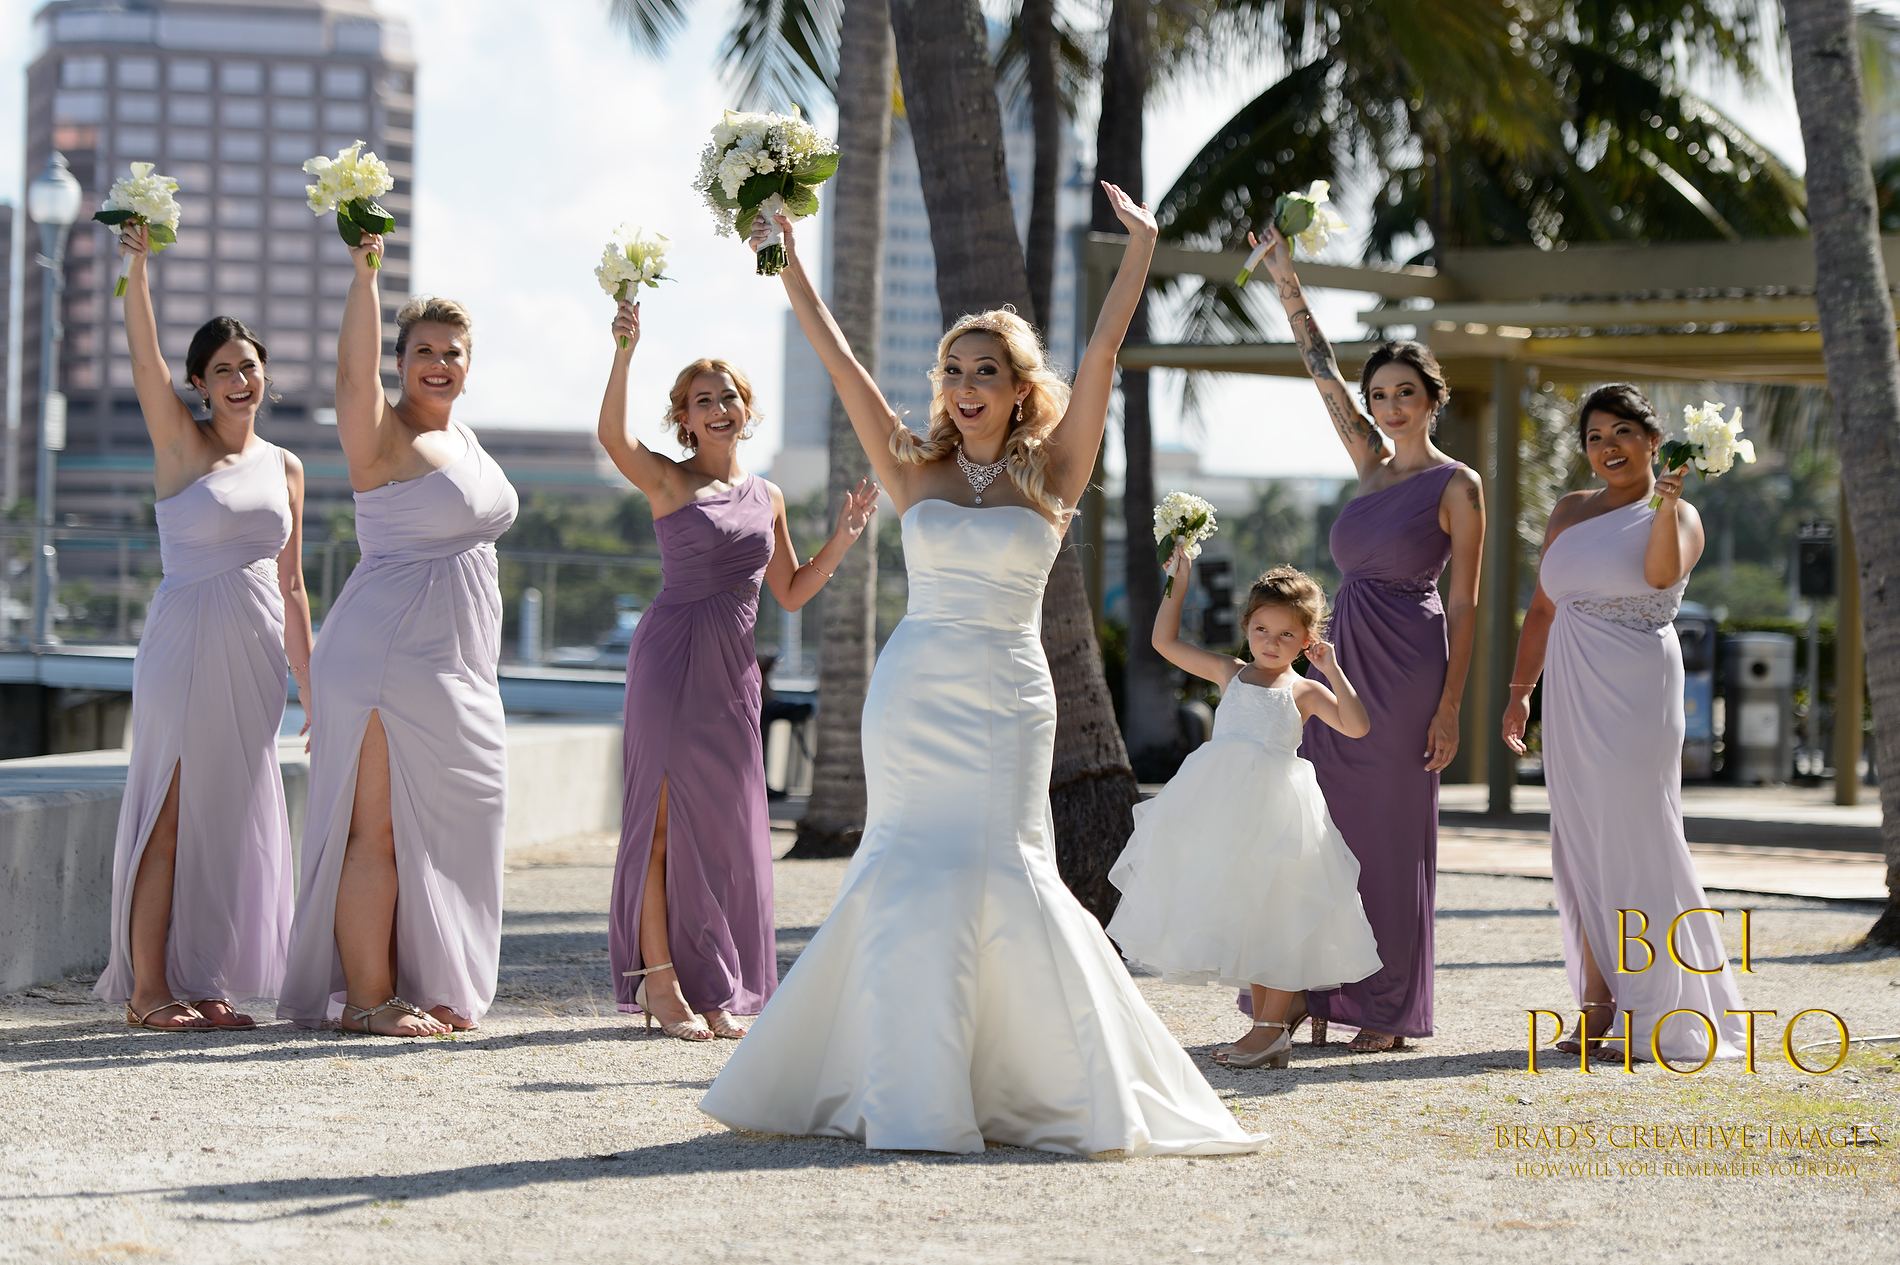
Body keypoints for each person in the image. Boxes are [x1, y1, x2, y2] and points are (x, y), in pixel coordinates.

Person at [698, 187, 1260, 1156]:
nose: (965, 385)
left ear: (1015, 385)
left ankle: (1033, 1078)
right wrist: (785, 252)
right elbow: (836, 358)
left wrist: (1142, 251)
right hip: (913, 688)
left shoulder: (1054, 471)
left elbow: (1101, 357)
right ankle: (900, 1083)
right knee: (903, 868)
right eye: (954, 369)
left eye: (986, 371)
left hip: (1007, 690)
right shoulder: (912, 467)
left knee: (1006, 868)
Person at [597, 305, 876, 1041]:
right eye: (703, 400)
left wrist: (843, 538)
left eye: (728, 396)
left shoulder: (769, 495)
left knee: (721, 835)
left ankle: (715, 985)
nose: (718, 408)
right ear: (684, 419)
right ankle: (660, 983)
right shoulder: (668, 481)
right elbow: (612, 439)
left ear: (746, 410)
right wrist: (625, 349)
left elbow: (789, 591)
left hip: (733, 674)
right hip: (670, 659)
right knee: (658, 825)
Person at [278, 231, 518, 1037]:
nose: (438, 363)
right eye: (422, 350)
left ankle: (420, 978)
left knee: (455, 821)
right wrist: (363, 273)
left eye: (452, 351)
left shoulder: (465, 438)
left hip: (456, 664)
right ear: (401, 358)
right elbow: (352, 374)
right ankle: (370, 999)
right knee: (375, 829)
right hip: (385, 657)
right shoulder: (381, 433)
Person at [1253, 225, 1484, 1052]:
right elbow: (1322, 380)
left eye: (1403, 394)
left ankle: (1385, 1006)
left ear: (1432, 398)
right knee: (1325, 826)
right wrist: (1288, 284)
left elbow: (1466, 602)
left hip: (1412, 661)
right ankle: (1314, 994)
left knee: (1388, 830)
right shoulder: (1368, 461)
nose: (1387, 408)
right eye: (1379, 394)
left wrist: (1451, 706)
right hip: (1342, 656)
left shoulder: (1458, 484)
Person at [92, 223, 313, 1032]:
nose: (240, 379)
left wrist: (313, 694)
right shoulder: (181, 444)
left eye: (249, 366)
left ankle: (205, 974)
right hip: (186, 641)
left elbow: (292, 587)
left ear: (264, 375)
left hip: (256, 652)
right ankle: (151, 987)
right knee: (175, 807)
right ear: (198, 383)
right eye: (223, 370)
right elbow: (141, 353)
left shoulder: (287, 467)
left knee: (231, 810)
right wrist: (136, 267)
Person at [1503, 384, 1745, 1064]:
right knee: (1581, 841)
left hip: (1638, 689)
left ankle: (1658, 1010)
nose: (1607, 448)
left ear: (1653, 437)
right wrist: (1522, 694)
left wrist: (1666, 502)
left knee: (1635, 837)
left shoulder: (1680, 514)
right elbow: (1542, 611)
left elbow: (1659, 572)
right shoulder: (1570, 510)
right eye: (1594, 438)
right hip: (1572, 690)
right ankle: (1596, 1005)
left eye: (1621, 433)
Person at [1106, 561, 1381, 1069]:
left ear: (1305, 640)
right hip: (1222, 808)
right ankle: (1267, 1029)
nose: (1270, 643)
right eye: (1261, 630)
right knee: (1250, 912)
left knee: (1278, 909)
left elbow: (1358, 726)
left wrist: (1333, 670)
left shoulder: (1305, 690)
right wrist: (1178, 584)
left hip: (1279, 812)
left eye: (1285, 635)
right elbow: (1164, 642)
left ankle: (1270, 1030)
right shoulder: (1229, 672)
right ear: (1247, 627)